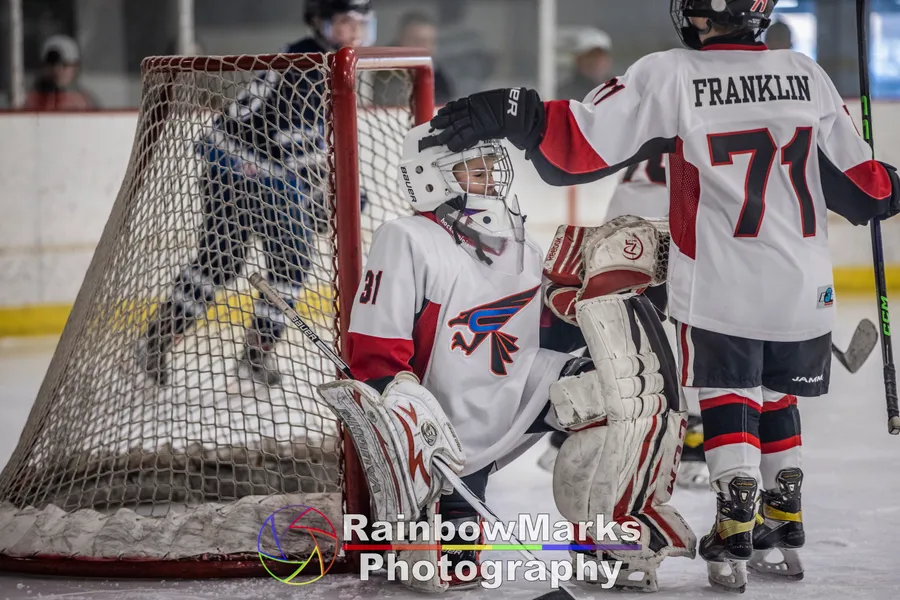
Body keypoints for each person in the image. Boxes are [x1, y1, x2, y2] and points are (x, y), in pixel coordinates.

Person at [421, 0, 900, 592]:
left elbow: (579, 147)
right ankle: (785, 517)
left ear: (699, 13)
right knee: (779, 398)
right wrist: (890, 184)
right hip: (807, 290)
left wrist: (513, 112)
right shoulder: (808, 74)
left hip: (723, 287)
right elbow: (865, 195)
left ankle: (735, 522)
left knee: (729, 399)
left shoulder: (672, 72)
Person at [317, 123, 695, 593]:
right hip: (445, 418)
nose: (489, 179)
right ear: (430, 178)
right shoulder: (407, 237)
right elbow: (375, 348)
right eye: (472, 170)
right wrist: (402, 413)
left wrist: (596, 300)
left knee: (619, 388)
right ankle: (429, 521)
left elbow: (535, 336)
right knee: (454, 571)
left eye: (490, 168)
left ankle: (600, 537)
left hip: (519, 386)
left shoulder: (520, 243)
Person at [134, 0, 375, 386]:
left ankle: (157, 338)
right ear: (322, 22)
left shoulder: (305, 55)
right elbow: (296, 142)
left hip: (225, 160)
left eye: (362, 22)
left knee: (220, 261)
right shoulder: (311, 65)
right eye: (346, 22)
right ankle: (255, 353)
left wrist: (335, 189)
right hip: (255, 169)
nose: (356, 32)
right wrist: (336, 195)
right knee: (291, 263)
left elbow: (304, 140)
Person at [536, 151, 711, 491]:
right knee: (686, 328)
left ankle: (568, 433)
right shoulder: (703, 122)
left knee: (612, 325)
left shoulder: (657, 114)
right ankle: (690, 441)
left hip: (623, 219)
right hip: (669, 217)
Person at [375, 11, 453, 105]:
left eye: (431, 41)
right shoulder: (382, 71)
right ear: (401, 42)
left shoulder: (437, 74)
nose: (426, 47)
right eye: (417, 41)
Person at [25, 35, 97, 111]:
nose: (57, 69)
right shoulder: (30, 99)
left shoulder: (85, 102)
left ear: (75, 68)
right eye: (51, 64)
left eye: (64, 65)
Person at [557, 27, 614, 101]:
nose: (596, 62)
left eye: (599, 55)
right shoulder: (564, 94)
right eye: (591, 56)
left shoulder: (619, 88)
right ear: (578, 60)